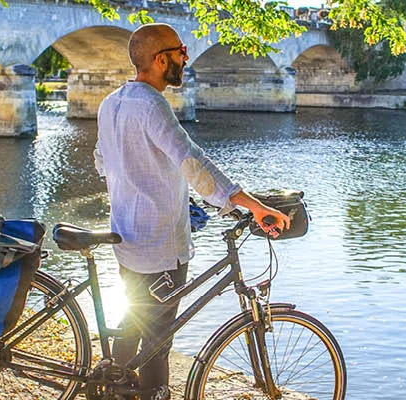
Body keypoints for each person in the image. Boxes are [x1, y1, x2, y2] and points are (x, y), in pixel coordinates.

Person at [92, 23, 292, 399]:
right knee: (158, 338)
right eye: (181, 51)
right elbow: (193, 163)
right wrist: (250, 203)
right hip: (158, 244)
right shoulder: (152, 104)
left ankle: (111, 387)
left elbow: (104, 161)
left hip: (127, 235)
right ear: (159, 59)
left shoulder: (111, 102)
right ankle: (152, 393)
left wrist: (148, 184)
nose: (187, 58)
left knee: (135, 322)